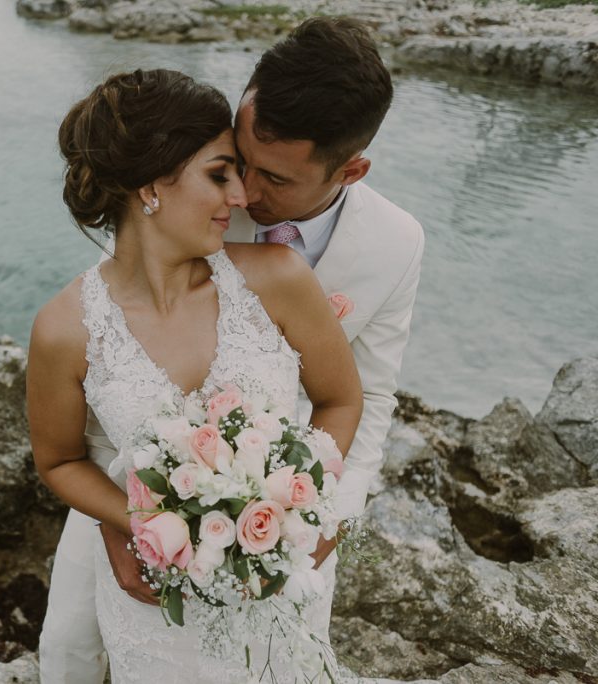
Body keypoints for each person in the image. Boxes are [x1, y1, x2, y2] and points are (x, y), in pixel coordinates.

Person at [37, 17, 425, 682]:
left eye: (270, 176)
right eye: (235, 162)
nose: (244, 191)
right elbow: (113, 359)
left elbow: (367, 391)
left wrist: (320, 516)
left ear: (350, 170)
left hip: (282, 519)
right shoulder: (185, 181)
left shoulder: (394, 245)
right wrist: (126, 525)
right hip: (130, 504)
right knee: (75, 649)